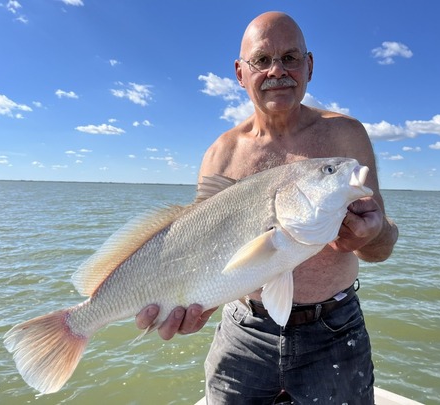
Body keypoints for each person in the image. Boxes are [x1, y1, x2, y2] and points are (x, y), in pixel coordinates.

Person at [136, 11, 398, 404]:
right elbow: (199, 252)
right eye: (262, 60)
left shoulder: (345, 135)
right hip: (243, 330)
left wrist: (374, 233)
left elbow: (381, 246)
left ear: (309, 66)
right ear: (240, 73)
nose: (278, 70)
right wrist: (194, 305)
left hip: (334, 329)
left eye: (291, 58)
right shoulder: (220, 155)